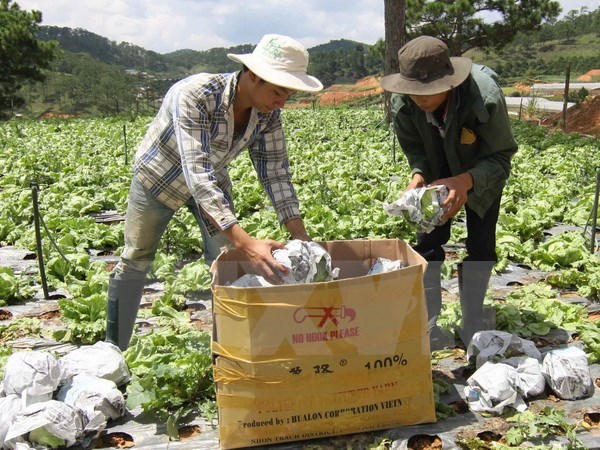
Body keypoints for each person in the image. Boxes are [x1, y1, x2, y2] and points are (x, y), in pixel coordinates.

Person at [106, 34, 323, 351]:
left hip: (211, 183)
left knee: (225, 260)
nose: (281, 102)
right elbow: (196, 170)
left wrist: (301, 238)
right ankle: (115, 348)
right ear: (253, 75)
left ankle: (230, 349)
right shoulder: (195, 94)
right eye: (278, 91)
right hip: (158, 178)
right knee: (137, 257)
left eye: (287, 94)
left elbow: (275, 172)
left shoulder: (267, 115)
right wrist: (246, 243)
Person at [380, 36, 517, 349]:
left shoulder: (483, 96)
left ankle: (472, 319)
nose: (419, 99)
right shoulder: (405, 105)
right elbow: (415, 149)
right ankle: (428, 320)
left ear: (449, 81)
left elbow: (500, 157)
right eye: (412, 91)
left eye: (426, 92)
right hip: (437, 173)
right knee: (428, 243)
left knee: (481, 247)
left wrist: (465, 181)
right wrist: (418, 175)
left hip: (481, 175)